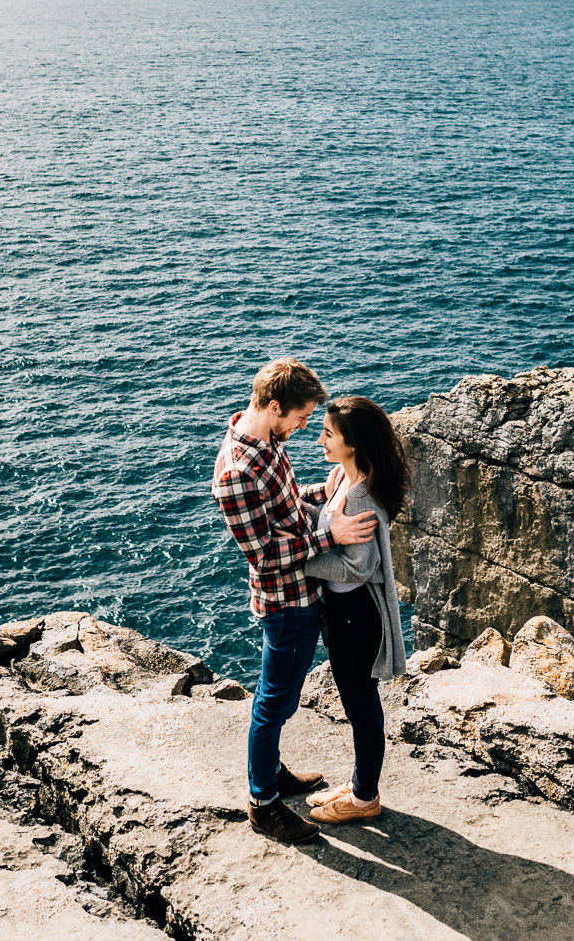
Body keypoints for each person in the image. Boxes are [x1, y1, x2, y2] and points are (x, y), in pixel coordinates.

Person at [213, 357, 379, 846]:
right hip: (286, 603)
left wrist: (320, 495)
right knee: (274, 702)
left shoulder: (268, 441)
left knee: (280, 697)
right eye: (303, 416)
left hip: (303, 595)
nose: (307, 426)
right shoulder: (237, 472)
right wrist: (332, 534)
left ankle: (274, 774)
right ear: (274, 406)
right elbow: (265, 553)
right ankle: (264, 804)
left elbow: (282, 505)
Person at [301, 395, 409, 826]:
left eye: (329, 434)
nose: (320, 440)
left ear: (354, 443)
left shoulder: (361, 497)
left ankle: (364, 797)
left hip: (357, 614)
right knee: (355, 700)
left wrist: (299, 557)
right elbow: (330, 523)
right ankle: (360, 782)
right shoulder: (341, 477)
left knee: (361, 704)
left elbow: (359, 565)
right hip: (344, 612)